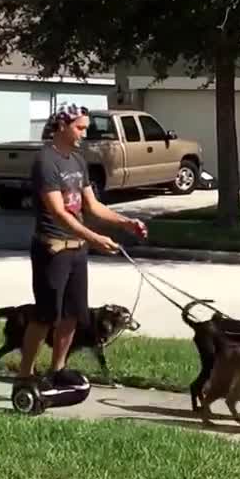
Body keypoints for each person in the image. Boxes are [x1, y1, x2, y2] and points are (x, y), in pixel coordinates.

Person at [18, 103, 148, 383]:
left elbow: (92, 206)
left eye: (85, 128)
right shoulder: (45, 162)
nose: (83, 133)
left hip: (77, 249)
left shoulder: (77, 161)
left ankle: (57, 370)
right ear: (62, 126)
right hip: (52, 248)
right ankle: (25, 373)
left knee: (73, 315)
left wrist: (126, 222)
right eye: (79, 127)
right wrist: (96, 238)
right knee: (45, 316)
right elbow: (59, 212)